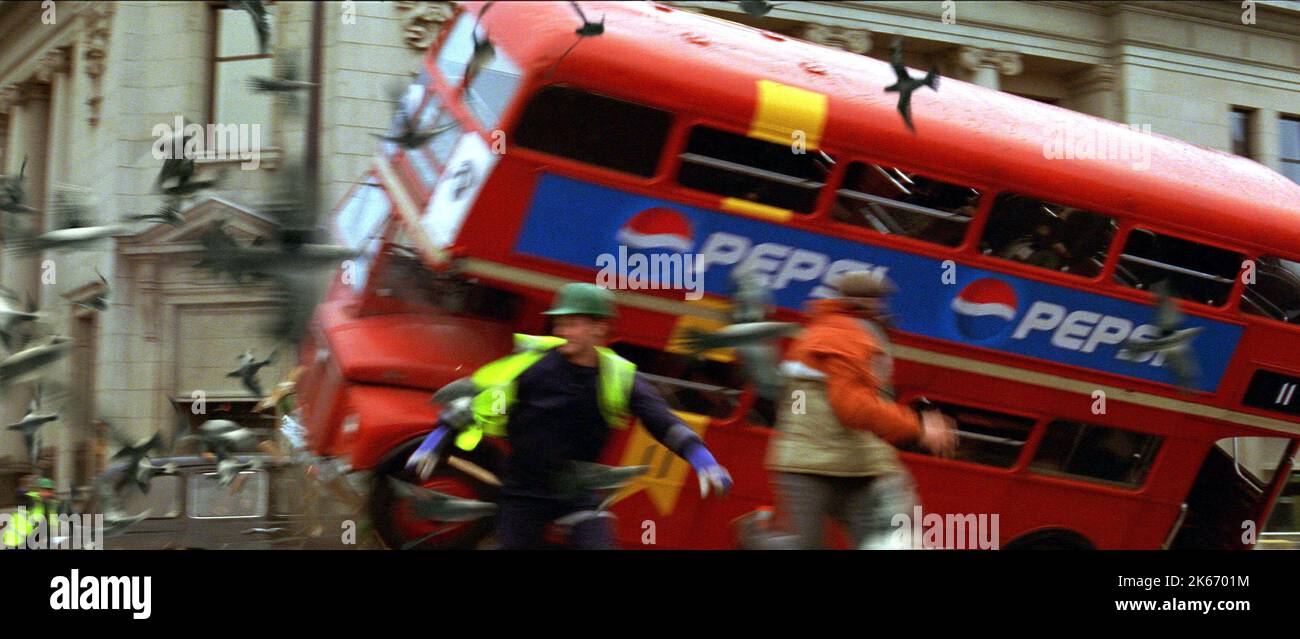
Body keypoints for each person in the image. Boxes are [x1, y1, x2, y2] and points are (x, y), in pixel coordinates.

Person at [407, 282, 733, 549]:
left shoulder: (618, 376)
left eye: (573, 323)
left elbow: (660, 419)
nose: (564, 330)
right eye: (560, 323)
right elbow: (474, 402)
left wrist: (702, 458)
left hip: (578, 494)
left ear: (599, 328)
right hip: (524, 492)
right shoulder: (531, 367)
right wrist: (436, 440)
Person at [737, 271, 957, 549]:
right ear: (869, 304)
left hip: (850, 465)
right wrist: (918, 426)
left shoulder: (842, 331)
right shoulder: (845, 337)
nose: (883, 306)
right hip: (812, 464)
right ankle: (755, 540)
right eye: (879, 300)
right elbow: (853, 408)